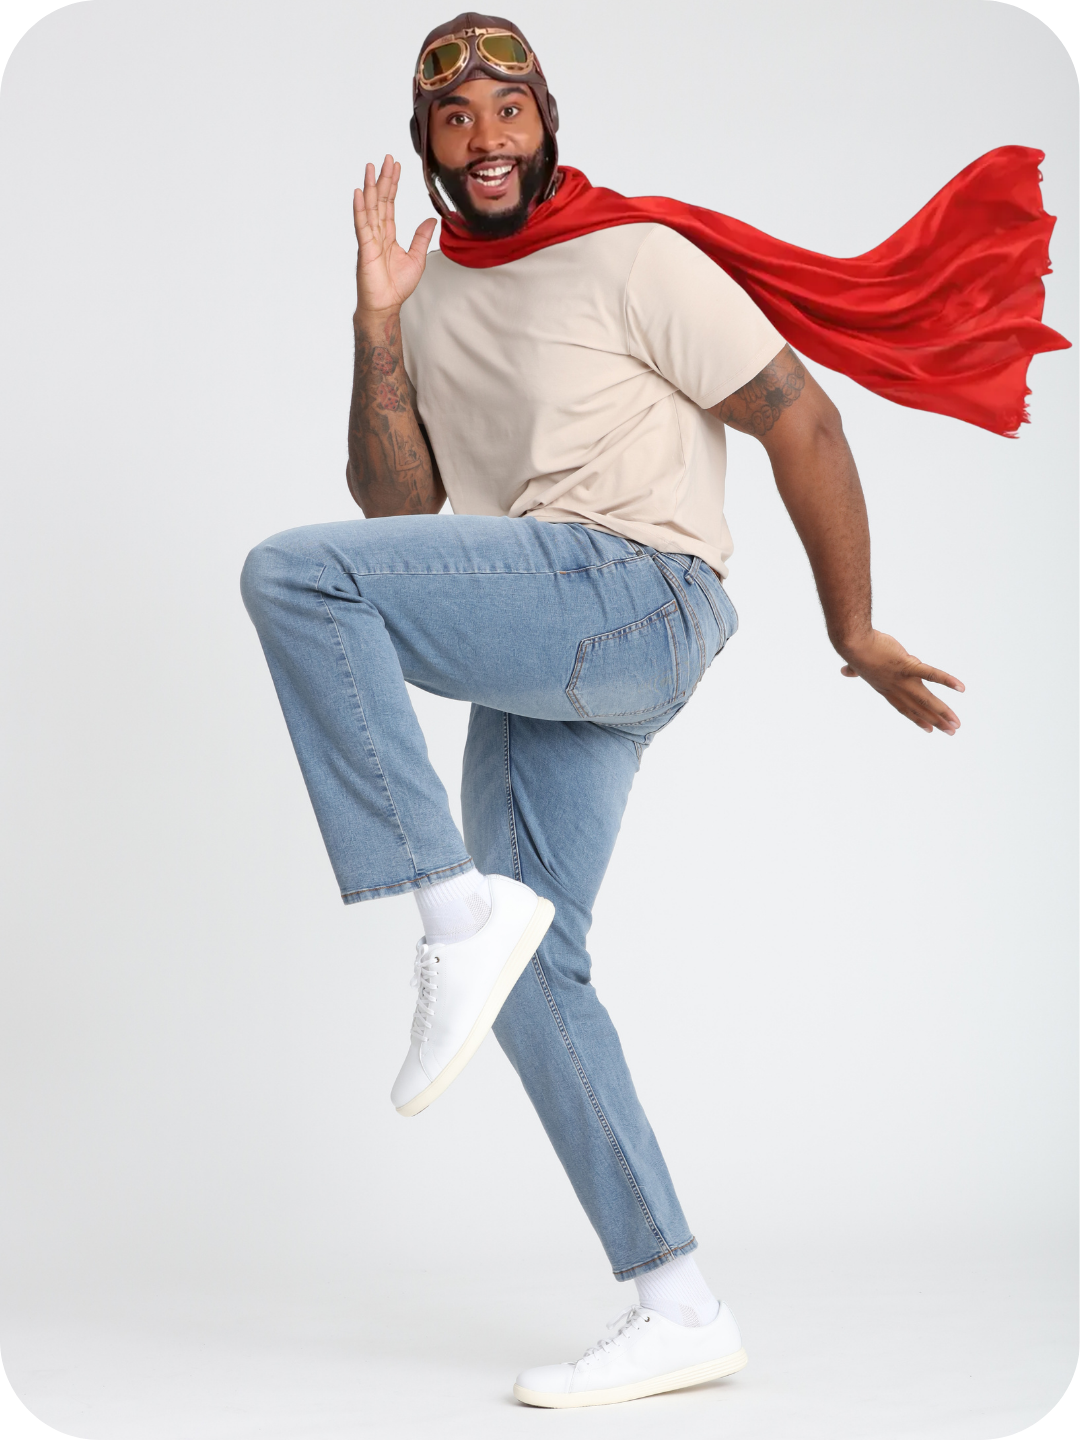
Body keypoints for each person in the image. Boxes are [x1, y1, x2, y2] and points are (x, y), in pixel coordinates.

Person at [240, 12, 972, 1410]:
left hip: (634, 587)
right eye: (456, 122)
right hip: (551, 623)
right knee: (535, 978)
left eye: (508, 112)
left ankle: (448, 912)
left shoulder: (637, 257)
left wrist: (853, 628)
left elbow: (800, 418)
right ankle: (675, 1301)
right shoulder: (437, 297)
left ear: (547, 120)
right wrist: (380, 323)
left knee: (290, 578)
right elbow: (398, 515)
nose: (486, 138)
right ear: (430, 149)